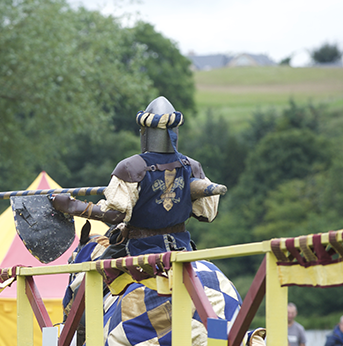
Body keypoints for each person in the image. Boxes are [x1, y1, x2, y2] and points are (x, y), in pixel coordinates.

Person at [50, 96, 226, 258]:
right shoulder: (192, 166)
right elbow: (206, 215)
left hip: (139, 250)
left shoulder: (131, 168)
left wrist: (71, 206)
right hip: (182, 248)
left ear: (145, 132)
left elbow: (114, 216)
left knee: (91, 275)